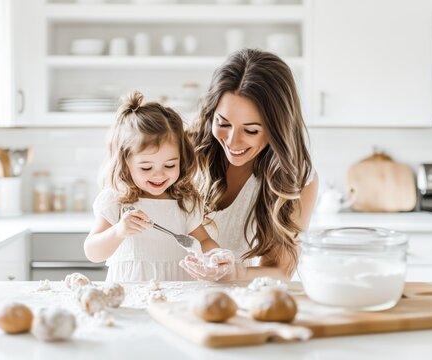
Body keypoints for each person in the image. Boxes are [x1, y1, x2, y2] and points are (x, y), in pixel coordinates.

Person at [179, 48, 319, 282]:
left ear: (278, 128)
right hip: (159, 289)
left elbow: (280, 270)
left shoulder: (298, 179)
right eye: (222, 123)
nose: (233, 141)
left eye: (251, 130)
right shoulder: (184, 151)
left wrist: (236, 272)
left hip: (226, 303)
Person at [84, 91, 224, 282]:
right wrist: (118, 231)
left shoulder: (185, 201)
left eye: (169, 165)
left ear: (182, 160)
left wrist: (214, 256)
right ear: (126, 164)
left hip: (177, 291)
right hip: (130, 291)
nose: (159, 174)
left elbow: (204, 241)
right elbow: (93, 252)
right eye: (146, 167)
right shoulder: (116, 200)